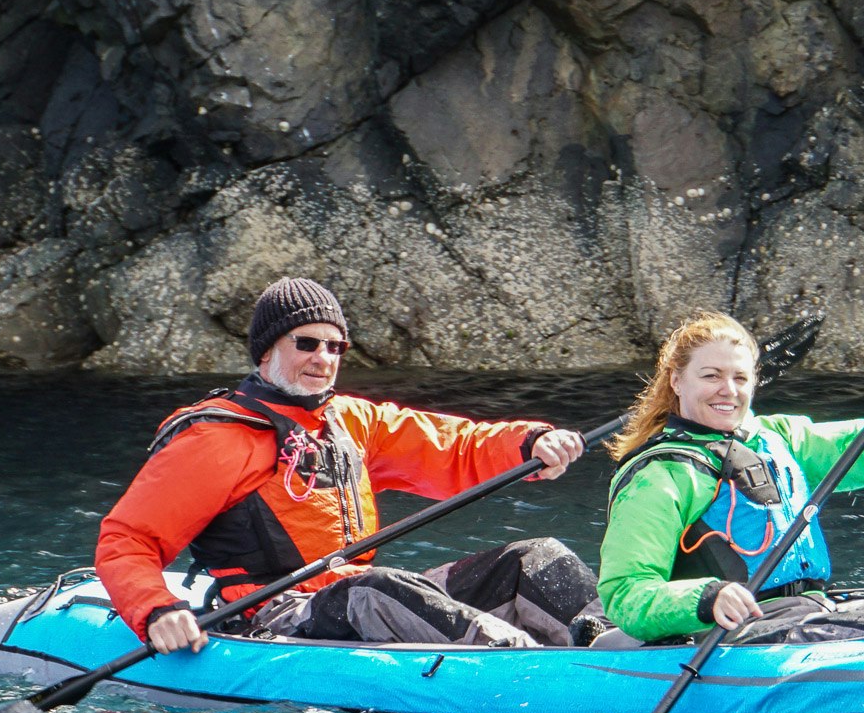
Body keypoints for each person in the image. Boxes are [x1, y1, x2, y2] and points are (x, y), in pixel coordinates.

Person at [96, 276, 606, 655]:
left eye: (335, 345)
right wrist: (156, 609)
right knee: (375, 585)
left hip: (354, 596)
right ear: (267, 349)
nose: (324, 356)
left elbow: (455, 446)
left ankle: (613, 641)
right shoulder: (213, 438)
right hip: (270, 615)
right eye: (307, 343)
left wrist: (530, 443)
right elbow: (127, 539)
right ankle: (529, 666)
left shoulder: (353, 420)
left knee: (536, 555)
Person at [596, 311, 864, 644]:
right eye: (711, 376)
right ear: (676, 381)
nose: (729, 390)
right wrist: (707, 597)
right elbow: (626, 592)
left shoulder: (777, 438)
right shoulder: (660, 475)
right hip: (730, 633)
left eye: (740, 378)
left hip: (811, 612)